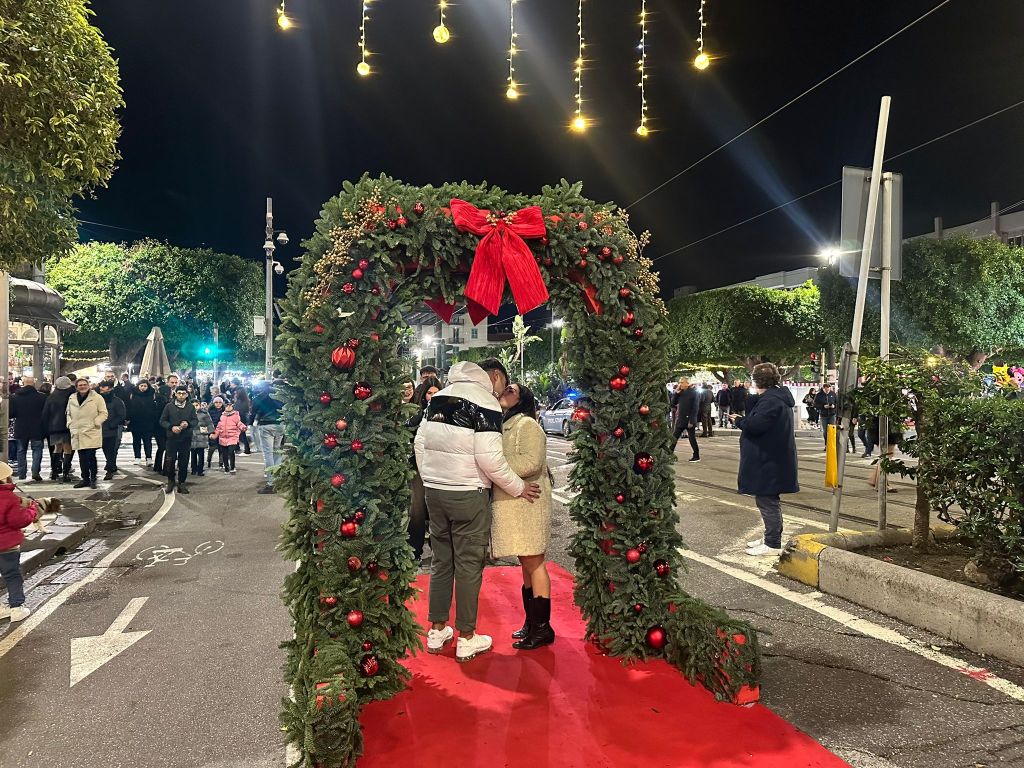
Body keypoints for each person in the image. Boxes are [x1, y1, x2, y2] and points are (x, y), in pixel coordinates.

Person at [414, 361, 540, 663]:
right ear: (493, 377)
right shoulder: (484, 402)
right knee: (469, 565)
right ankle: (467, 637)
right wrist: (518, 487)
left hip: (435, 491)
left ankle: (437, 628)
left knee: (442, 562)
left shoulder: (439, 398)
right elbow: (491, 460)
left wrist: (432, 477)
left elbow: (419, 443)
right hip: (468, 493)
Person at [491, 382, 554, 651]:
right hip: (517, 501)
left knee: (534, 561)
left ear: (522, 399)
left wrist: (496, 469)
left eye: (511, 390)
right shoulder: (509, 423)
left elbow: (531, 462)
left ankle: (542, 627)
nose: (505, 392)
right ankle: (532, 622)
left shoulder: (527, 425)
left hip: (528, 502)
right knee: (526, 561)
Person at [729, 363, 799, 557]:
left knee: (767, 500)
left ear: (757, 381)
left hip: (768, 459)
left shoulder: (770, 401)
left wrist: (738, 421)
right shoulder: (774, 398)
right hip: (772, 457)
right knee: (767, 499)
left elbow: (756, 425)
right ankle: (770, 537)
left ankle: (772, 543)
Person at [406, 376, 442, 561]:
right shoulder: (417, 414)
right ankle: (415, 550)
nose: (433, 396)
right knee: (417, 510)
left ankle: (438, 549)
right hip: (417, 468)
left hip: (439, 467)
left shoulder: (447, 413)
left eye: (436, 393)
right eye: (429, 393)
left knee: (438, 510)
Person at [0, 461, 39, 622]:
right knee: (12, 575)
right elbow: (18, 521)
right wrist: (32, 509)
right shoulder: (9, 497)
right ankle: (16, 607)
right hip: (8, 546)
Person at [67, 377, 107, 489]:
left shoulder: (97, 398)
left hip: (91, 431)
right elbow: (68, 413)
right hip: (77, 431)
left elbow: (103, 413)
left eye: (85, 384)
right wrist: (70, 424)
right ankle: (85, 479)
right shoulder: (72, 398)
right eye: (80, 385)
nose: (83, 387)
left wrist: (96, 422)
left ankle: (93, 478)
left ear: (88, 385)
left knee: (90, 456)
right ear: (76, 387)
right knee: (82, 457)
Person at [159, 385, 197, 494]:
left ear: (186, 395)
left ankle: (182, 483)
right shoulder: (169, 406)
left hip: (185, 438)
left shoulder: (190, 407)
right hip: (172, 438)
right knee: (170, 461)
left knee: (183, 462)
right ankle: (171, 481)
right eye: (179, 393)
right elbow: (162, 421)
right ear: (175, 394)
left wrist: (188, 424)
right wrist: (171, 427)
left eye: (183, 393)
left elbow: (195, 421)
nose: (181, 395)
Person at [9, 376, 47, 482]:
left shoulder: (14, 397)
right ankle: (35, 471)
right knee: (37, 449)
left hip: (21, 427)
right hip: (37, 427)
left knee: (21, 451)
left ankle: (22, 474)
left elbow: (11, 414)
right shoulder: (42, 397)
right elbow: (45, 413)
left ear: (23, 383)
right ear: (34, 383)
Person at [251, 378, 284, 494]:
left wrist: (250, 423)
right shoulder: (282, 397)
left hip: (266, 425)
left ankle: (271, 483)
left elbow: (253, 410)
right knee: (277, 452)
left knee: (268, 454)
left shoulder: (262, 397)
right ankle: (278, 480)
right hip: (280, 425)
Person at [42, 376, 76, 482]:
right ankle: (65, 473)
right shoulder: (71, 396)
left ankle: (54, 472)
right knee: (67, 450)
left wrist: (47, 427)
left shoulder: (51, 397)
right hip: (66, 427)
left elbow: (45, 414)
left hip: (54, 427)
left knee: (57, 449)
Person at [97, 380, 126, 480]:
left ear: (110, 388)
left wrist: (112, 424)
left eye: (104, 388)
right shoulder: (98, 400)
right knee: (105, 449)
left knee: (111, 450)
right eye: (101, 388)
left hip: (111, 429)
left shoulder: (117, 401)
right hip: (100, 429)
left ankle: (109, 469)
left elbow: (121, 415)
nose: (102, 390)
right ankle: (111, 465)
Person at [126, 380, 159, 466]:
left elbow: (154, 407)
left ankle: (149, 458)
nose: (143, 388)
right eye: (141, 386)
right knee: (136, 440)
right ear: (138, 386)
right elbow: (130, 407)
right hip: (136, 421)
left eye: (145, 386)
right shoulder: (133, 394)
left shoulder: (151, 394)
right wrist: (128, 418)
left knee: (147, 441)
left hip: (148, 422)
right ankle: (137, 457)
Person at [670, 378, 701, 462]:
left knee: (692, 438)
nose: (680, 384)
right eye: (680, 382)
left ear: (687, 383)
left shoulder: (694, 393)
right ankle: (669, 454)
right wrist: (676, 393)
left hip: (689, 419)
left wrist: (692, 420)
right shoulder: (680, 393)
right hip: (681, 418)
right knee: (674, 437)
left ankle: (696, 455)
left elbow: (695, 407)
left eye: (682, 382)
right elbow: (673, 403)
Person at [213, 399, 246, 474]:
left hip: (232, 437)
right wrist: (215, 434)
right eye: (227, 405)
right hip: (223, 437)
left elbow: (239, 423)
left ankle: (232, 467)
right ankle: (226, 468)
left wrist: (243, 427)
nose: (228, 407)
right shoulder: (222, 416)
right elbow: (219, 427)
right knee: (224, 454)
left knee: (231, 452)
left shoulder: (236, 416)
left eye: (230, 405)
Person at [191, 400, 213, 477]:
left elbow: (209, 423)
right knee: (193, 454)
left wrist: (211, 432)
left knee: (201, 454)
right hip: (192, 437)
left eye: (196, 405)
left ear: (199, 405)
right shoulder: (188, 413)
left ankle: (200, 469)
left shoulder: (204, 413)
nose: (195, 407)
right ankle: (193, 469)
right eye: (193, 405)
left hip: (202, 436)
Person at [814, 382, 838, 447]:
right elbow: (815, 404)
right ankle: (826, 444)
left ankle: (832, 444)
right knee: (825, 431)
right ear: (823, 389)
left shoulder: (833, 394)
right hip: (823, 415)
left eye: (828, 389)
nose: (827, 390)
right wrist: (823, 406)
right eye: (826, 389)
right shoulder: (819, 395)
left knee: (832, 430)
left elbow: (837, 403)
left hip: (832, 414)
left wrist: (834, 406)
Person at [207, 396, 226, 469]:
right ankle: (209, 461)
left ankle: (221, 463)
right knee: (212, 448)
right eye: (216, 402)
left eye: (220, 402)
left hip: (222, 432)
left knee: (221, 448)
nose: (218, 404)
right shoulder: (209, 411)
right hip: (212, 431)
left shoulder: (224, 411)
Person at [233, 387, 253, 454]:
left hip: (239, 419)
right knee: (242, 434)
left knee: (240, 435)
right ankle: (245, 448)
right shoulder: (246, 401)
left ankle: (240, 448)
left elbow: (237, 411)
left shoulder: (239, 402)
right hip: (243, 419)